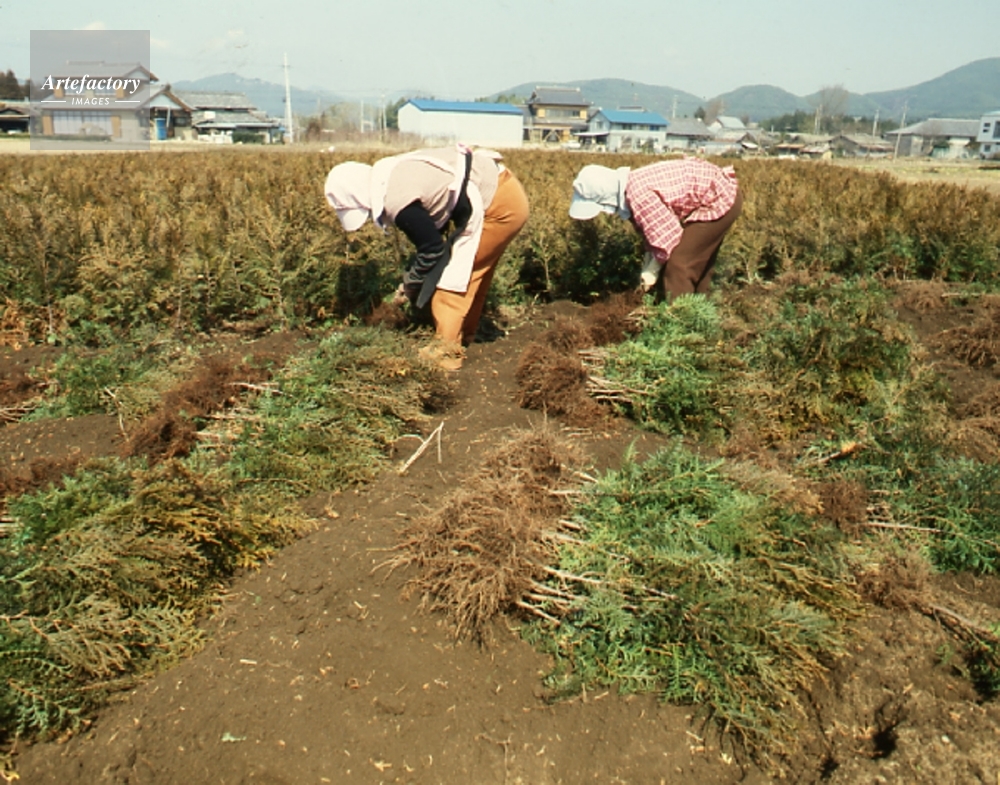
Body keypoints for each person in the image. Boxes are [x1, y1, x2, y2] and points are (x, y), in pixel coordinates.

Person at [325, 145, 529, 371]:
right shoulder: (390, 175)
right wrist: (415, 280)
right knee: (473, 275)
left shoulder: (396, 199)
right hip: (503, 190)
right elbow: (432, 232)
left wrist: (409, 287)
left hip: (499, 206)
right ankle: (466, 335)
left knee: (451, 284)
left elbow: (432, 248)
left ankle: (446, 353)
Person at [568, 157, 742, 299]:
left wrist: (651, 272)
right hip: (715, 191)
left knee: (679, 265)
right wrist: (649, 261)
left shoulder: (639, 196)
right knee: (696, 263)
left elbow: (669, 238)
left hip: (719, 198)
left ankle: (680, 322)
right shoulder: (632, 187)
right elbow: (654, 234)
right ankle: (703, 314)